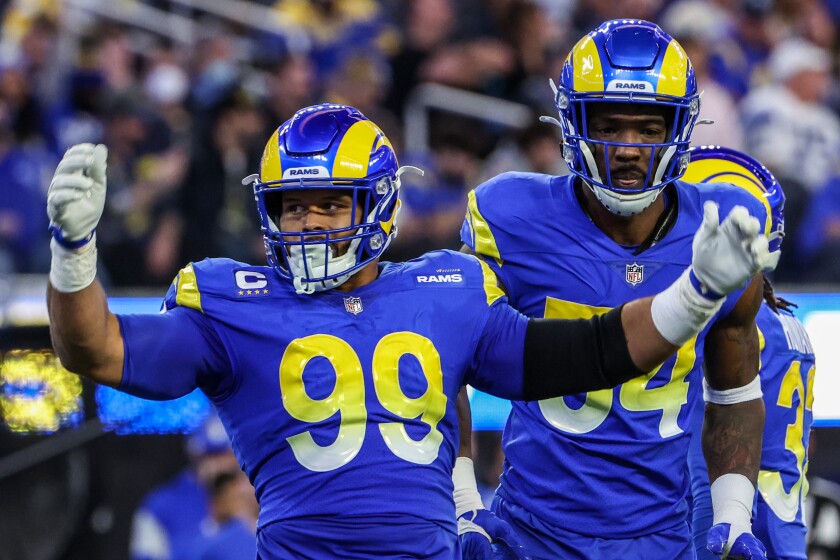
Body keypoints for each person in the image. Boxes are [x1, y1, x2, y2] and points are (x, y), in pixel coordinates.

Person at [45, 103, 773, 558]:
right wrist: (73, 257)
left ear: (380, 207)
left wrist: (697, 292)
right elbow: (98, 349)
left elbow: (586, 353)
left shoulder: (445, 290)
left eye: (331, 205)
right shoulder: (231, 303)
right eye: (292, 206)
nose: (307, 224)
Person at [457, 20, 772, 560]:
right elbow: (446, 360)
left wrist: (733, 513)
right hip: (531, 533)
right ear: (571, 123)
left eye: (649, 129)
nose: (628, 148)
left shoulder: (721, 225)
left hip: (662, 539)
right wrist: (463, 499)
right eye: (608, 125)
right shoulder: (510, 215)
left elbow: (735, 390)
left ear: (679, 129)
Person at [683, 146, 816, 560]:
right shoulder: (785, 321)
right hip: (780, 536)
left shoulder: (732, 325)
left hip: (734, 536)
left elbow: (709, 465)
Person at [129, 412, 239, 560]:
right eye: (210, 457)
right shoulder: (160, 506)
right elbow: (145, 556)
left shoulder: (259, 496)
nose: (219, 466)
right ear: (195, 457)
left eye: (225, 456)